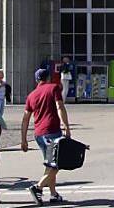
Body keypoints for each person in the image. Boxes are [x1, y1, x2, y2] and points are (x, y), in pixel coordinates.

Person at [21, 68, 72, 206]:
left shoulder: (31, 95)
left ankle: (54, 194)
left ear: (37, 79)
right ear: (48, 77)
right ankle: (38, 187)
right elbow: (60, 106)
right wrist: (66, 126)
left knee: (50, 164)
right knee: (56, 164)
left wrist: (24, 139)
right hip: (52, 131)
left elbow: (26, 118)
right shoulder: (53, 88)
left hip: (39, 134)